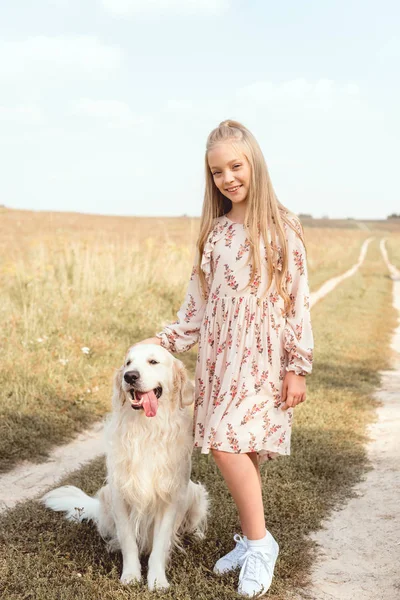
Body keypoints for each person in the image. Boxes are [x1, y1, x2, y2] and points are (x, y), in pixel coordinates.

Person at [137, 119, 314, 597]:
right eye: (217, 172)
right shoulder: (214, 233)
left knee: (227, 444)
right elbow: (197, 305)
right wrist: (163, 341)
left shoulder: (283, 225)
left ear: (254, 163)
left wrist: (298, 366)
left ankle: (260, 545)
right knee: (241, 448)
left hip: (264, 357)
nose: (228, 178)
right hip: (219, 356)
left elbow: (298, 301)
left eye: (236, 166)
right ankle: (250, 536)